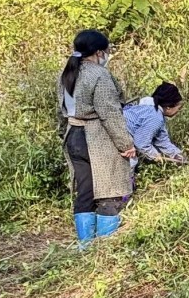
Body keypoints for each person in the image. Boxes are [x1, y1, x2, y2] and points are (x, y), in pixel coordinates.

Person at [58, 30, 136, 247]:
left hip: (73, 134)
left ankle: (85, 246)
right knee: (110, 190)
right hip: (95, 137)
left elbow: (61, 110)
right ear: (100, 52)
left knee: (85, 191)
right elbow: (109, 113)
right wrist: (126, 144)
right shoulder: (99, 75)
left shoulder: (66, 72)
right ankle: (105, 247)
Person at [123, 82, 188, 171]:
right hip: (118, 136)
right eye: (178, 108)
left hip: (122, 135)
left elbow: (162, 140)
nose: (178, 112)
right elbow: (141, 143)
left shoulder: (154, 111)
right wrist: (155, 155)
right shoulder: (155, 117)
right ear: (168, 108)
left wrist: (177, 154)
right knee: (131, 163)